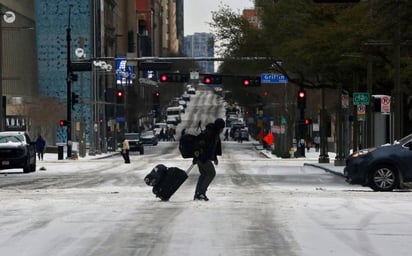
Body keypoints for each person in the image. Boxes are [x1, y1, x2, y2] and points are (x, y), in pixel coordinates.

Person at [192, 118, 225, 201]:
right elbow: (207, 146)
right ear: (219, 127)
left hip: (201, 157)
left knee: (203, 174)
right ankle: (201, 193)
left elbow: (213, 148)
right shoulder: (211, 133)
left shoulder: (212, 132)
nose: (222, 130)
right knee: (211, 173)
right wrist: (203, 155)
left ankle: (197, 194)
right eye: (222, 128)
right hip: (203, 157)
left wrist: (215, 158)